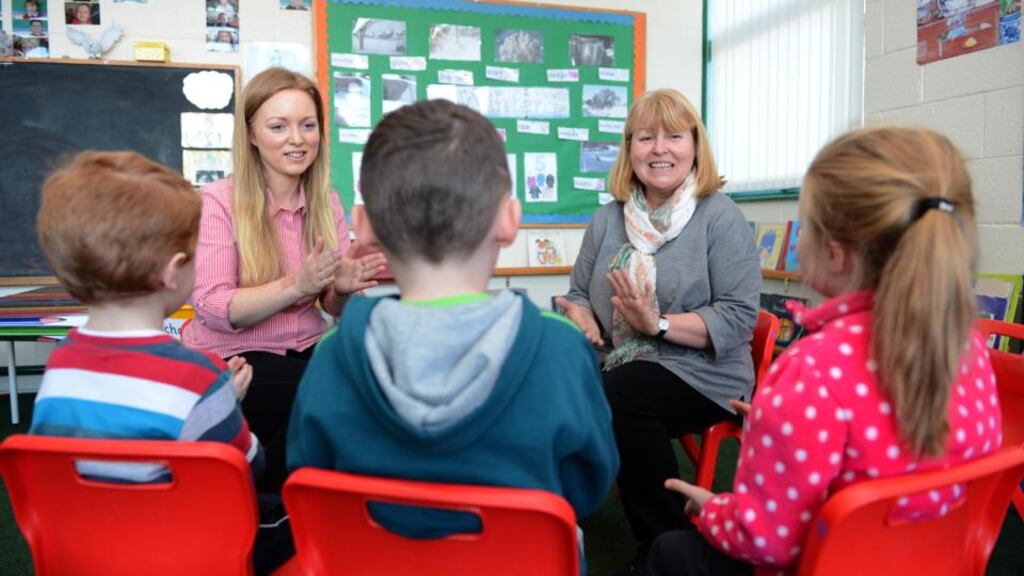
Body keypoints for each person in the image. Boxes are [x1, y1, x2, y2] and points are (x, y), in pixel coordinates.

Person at [647, 126, 1003, 576]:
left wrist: (717, 510)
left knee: (669, 552)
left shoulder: (811, 370)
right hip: (929, 560)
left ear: (834, 254)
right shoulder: (968, 345)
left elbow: (766, 541)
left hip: (824, 564)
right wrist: (781, 424)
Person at [287, 99, 619, 568]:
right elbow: (587, 485)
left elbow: (311, 476)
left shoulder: (332, 355)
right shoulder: (561, 349)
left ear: (363, 226)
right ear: (510, 220)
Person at [557, 88, 760, 567]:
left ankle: (666, 541)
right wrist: (582, 315)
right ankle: (552, 520)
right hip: (623, 360)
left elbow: (736, 317)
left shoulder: (720, 216)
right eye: (645, 138)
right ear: (630, 150)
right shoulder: (608, 219)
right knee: (562, 382)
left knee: (618, 395)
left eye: (673, 136)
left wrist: (657, 323)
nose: (659, 148)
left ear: (695, 145)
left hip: (704, 372)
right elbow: (580, 293)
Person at [184, 67, 386, 493]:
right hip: (237, 357)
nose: (297, 138)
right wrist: (299, 283)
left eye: (307, 125)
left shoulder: (327, 201)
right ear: (252, 135)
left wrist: (342, 290)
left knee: (376, 395)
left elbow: (329, 305)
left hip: (306, 347)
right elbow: (214, 308)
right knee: (320, 402)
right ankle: (267, 514)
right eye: (279, 126)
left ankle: (308, 508)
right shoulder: (217, 202)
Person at [31, 151, 260, 479]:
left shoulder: (60, 365)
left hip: (83, 529)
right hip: (178, 528)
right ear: (173, 272)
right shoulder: (198, 375)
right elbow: (248, 467)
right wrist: (224, 402)